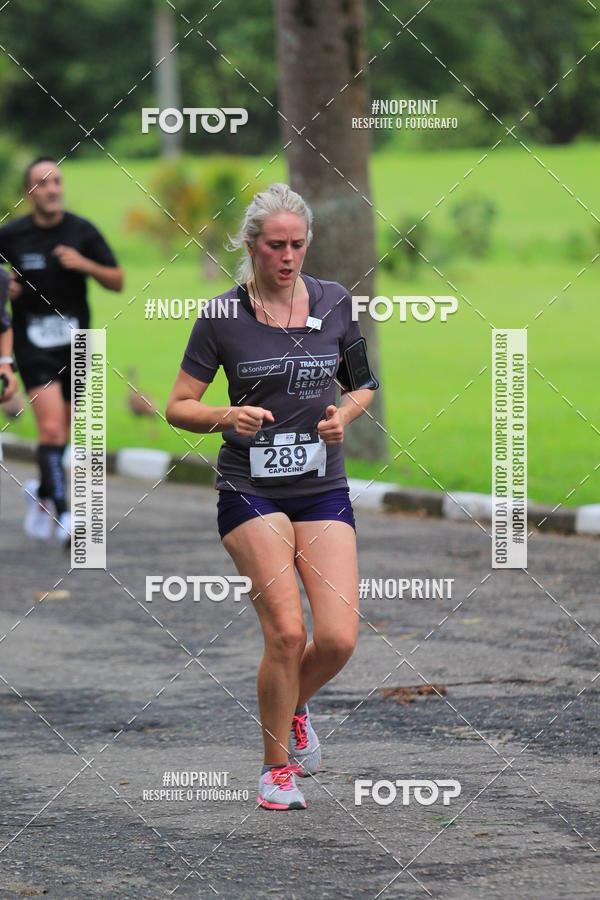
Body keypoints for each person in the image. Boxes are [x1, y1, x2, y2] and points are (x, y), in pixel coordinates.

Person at [166, 183, 379, 811]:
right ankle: (275, 771)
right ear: (252, 246)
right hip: (249, 486)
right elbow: (177, 405)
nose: (288, 256)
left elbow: (363, 383)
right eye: (275, 245)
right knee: (287, 632)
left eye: (297, 244)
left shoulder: (335, 301)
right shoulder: (221, 317)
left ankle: (293, 706)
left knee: (338, 638)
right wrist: (226, 416)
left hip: (321, 486)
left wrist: (346, 414)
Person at [0, 157, 123, 544]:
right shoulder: (12, 235)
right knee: (51, 427)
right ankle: (67, 515)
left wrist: (84, 263)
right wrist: (7, 287)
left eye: (57, 182)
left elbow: (117, 280)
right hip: (31, 342)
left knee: (63, 428)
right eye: (42, 183)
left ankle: (41, 487)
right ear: (29, 192)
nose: (52, 189)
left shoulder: (81, 231)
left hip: (78, 341)